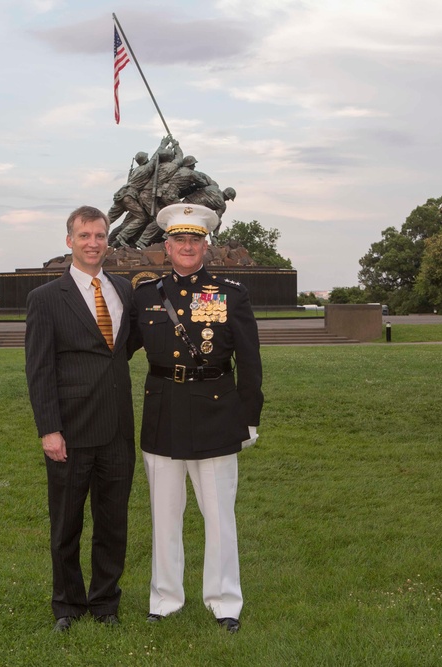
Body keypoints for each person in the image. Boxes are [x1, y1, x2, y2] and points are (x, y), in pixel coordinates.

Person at [129, 203, 264, 634]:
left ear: (206, 245)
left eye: (195, 239)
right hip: (163, 409)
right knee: (164, 514)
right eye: (179, 240)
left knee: (220, 515)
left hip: (216, 410)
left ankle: (225, 602)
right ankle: (165, 598)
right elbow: (117, 348)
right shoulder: (146, 294)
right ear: (166, 246)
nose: (187, 247)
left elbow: (249, 358)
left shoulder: (230, 293)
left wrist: (249, 416)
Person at [24, 205, 136, 632]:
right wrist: (49, 429)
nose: (93, 243)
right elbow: (39, 370)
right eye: (84, 235)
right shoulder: (46, 299)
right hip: (68, 432)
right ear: (69, 240)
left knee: (113, 524)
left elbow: (124, 350)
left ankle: (106, 602)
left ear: (109, 240)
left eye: (100, 235)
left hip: (117, 431)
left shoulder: (124, 290)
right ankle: (67, 606)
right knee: (66, 526)